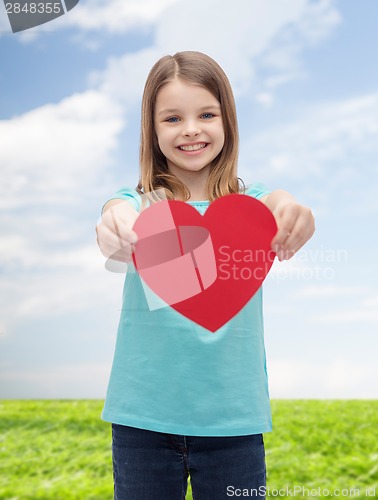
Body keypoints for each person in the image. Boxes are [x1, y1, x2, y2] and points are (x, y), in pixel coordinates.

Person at [96, 51, 315, 500]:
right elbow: (114, 214)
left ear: (227, 121)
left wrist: (293, 209)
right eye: (172, 118)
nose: (191, 128)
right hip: (143, 422)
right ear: (152, 131)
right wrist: (112, 227)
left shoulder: (253, 206)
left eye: (206, 114)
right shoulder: (141, 205)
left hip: (234, 423)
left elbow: (281, 203)